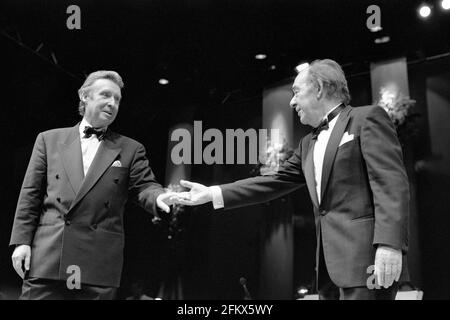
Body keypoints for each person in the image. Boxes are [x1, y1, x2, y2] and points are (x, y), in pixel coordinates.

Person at [174, 59, 410, 300]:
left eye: (296, 92)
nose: (291, 101)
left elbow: (391, 184)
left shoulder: (366, 118)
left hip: (367, 262)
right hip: (329, 271)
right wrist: (212, 193)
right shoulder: (308, 143)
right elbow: (272, 181)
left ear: (319, 88)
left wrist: (390, 244)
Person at [10, 70, 177, 300]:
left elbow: (145, 186)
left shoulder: (130, 149)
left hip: (97, 264)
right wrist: (21, 242)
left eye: (117, 99)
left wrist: (160, 197)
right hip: (49, 256)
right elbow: (30, 195)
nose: (112, 103)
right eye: (105, 95)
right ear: (84, 96)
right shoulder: (49, 140)